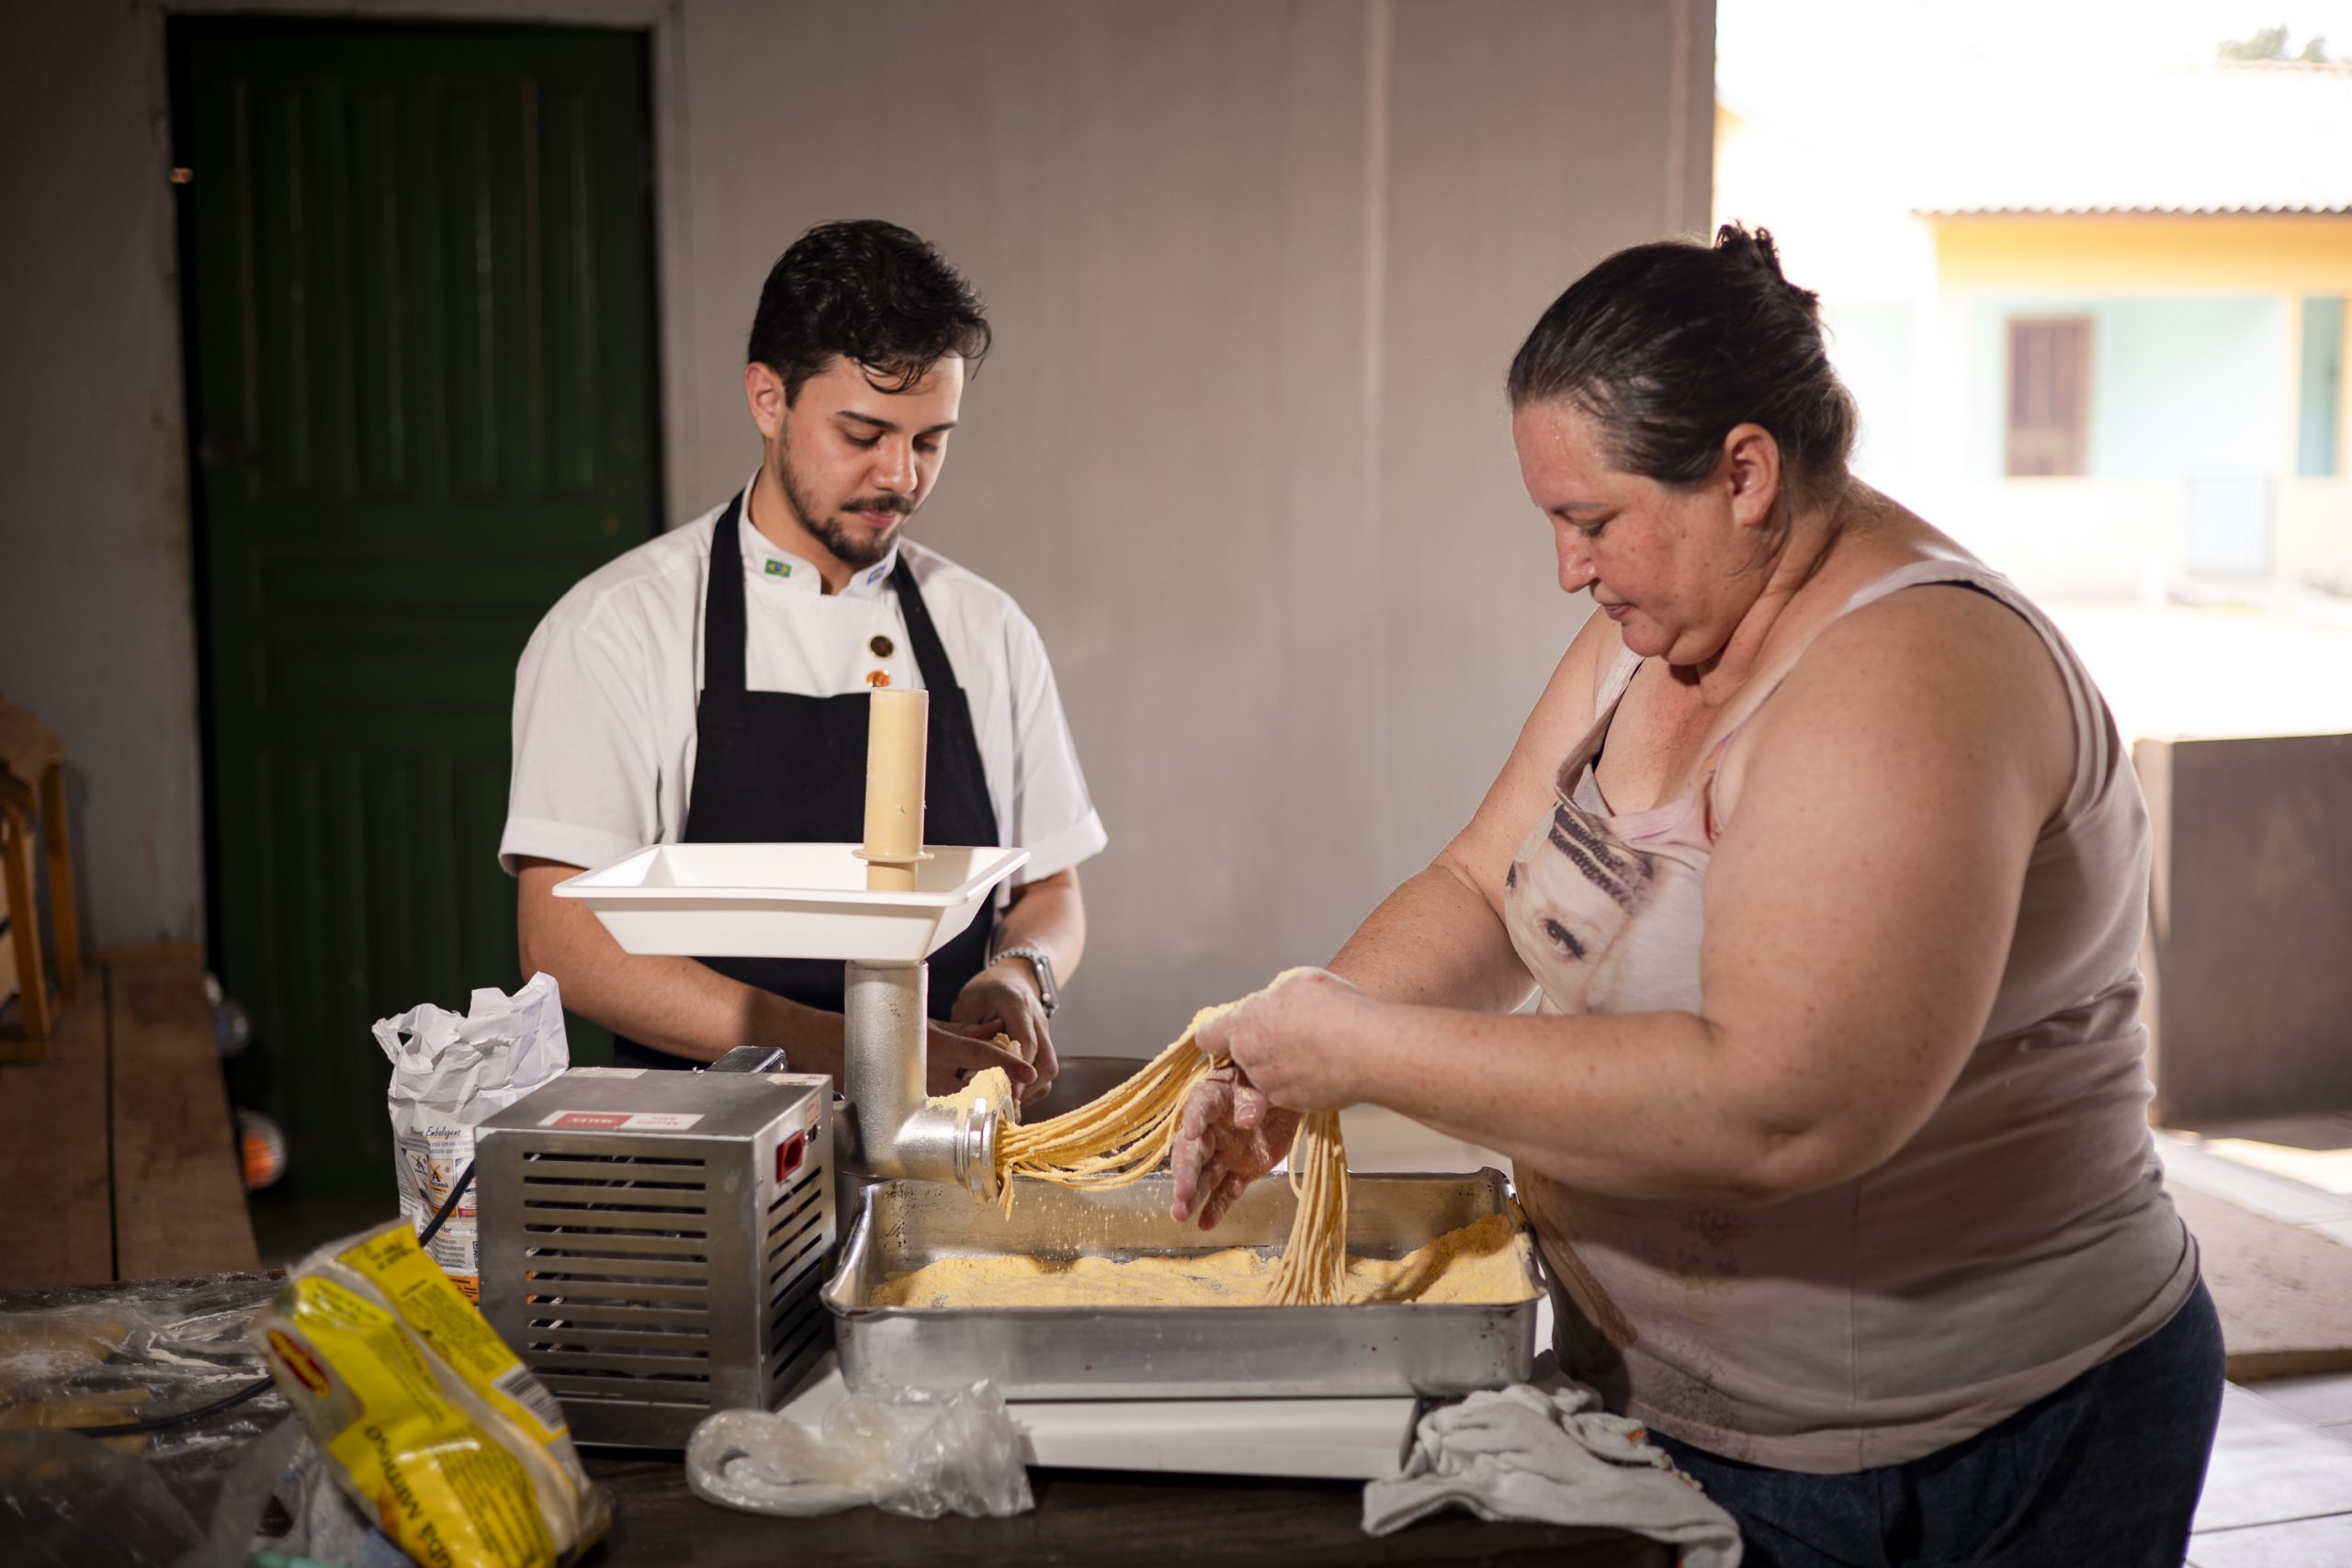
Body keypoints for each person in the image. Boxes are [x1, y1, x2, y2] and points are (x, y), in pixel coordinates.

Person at [1170, 226, 2222, 1565]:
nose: (1566, 567)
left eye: (1590, 519)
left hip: (1968, 1451)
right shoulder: (1650, 640)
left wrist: (1357, 1045)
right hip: (1671, 1411)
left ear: (1743, 470)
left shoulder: (1909, 672)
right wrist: (1302, 1052)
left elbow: (1782, 1106)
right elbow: (1484, 889)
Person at [502, 220, 1103, 1098]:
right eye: (863, 434)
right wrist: (855, 1046)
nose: (901, 475)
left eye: (930, 439)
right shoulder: (619, 628)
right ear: (767, 398)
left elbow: (1051, 886)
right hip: (705, 1144)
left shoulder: (986, 628)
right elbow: (564, 946)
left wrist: (1018, 972)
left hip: (943, 1137)